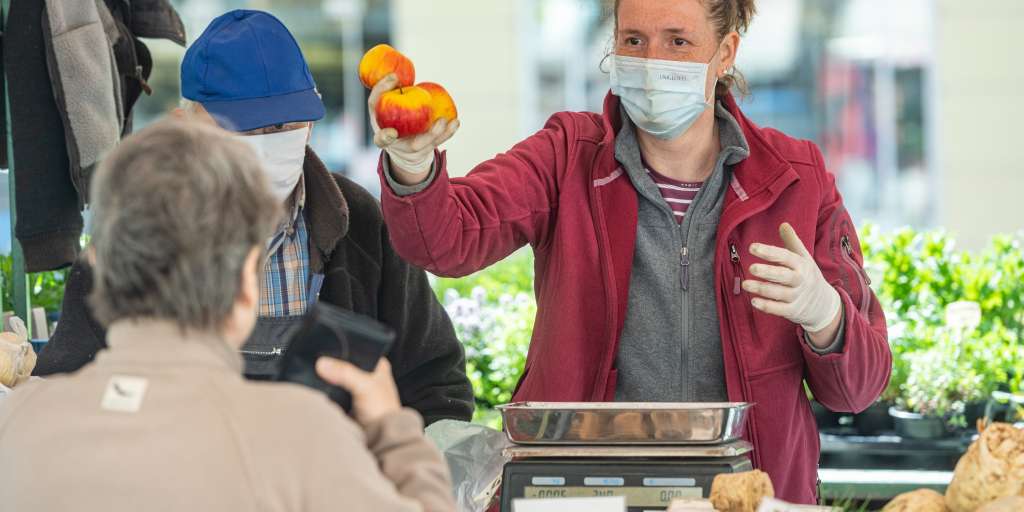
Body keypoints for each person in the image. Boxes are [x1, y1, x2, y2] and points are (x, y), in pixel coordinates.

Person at [368, 0, 891, 503]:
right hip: (581, 493)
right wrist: (413, 169)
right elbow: (447, 242)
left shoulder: (797, 180)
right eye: (633, 40)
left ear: (725, 53)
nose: (651, 61)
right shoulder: (567, 155)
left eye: (678, 41)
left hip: (748, 494)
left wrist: (827, 317)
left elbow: (858, 391)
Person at [34, 9, 473, 425]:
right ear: (186, 125)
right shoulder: (137, 231)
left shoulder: (359, 221)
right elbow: (67, 390)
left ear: (311, 124)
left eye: (285, 126)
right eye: (245, 130)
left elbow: (436, 384)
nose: (268, 143)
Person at [0, 119, 456, 512]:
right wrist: (390, 428)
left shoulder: (16, 425)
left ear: (98, 266)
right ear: (245, 284)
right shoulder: (303, 436)